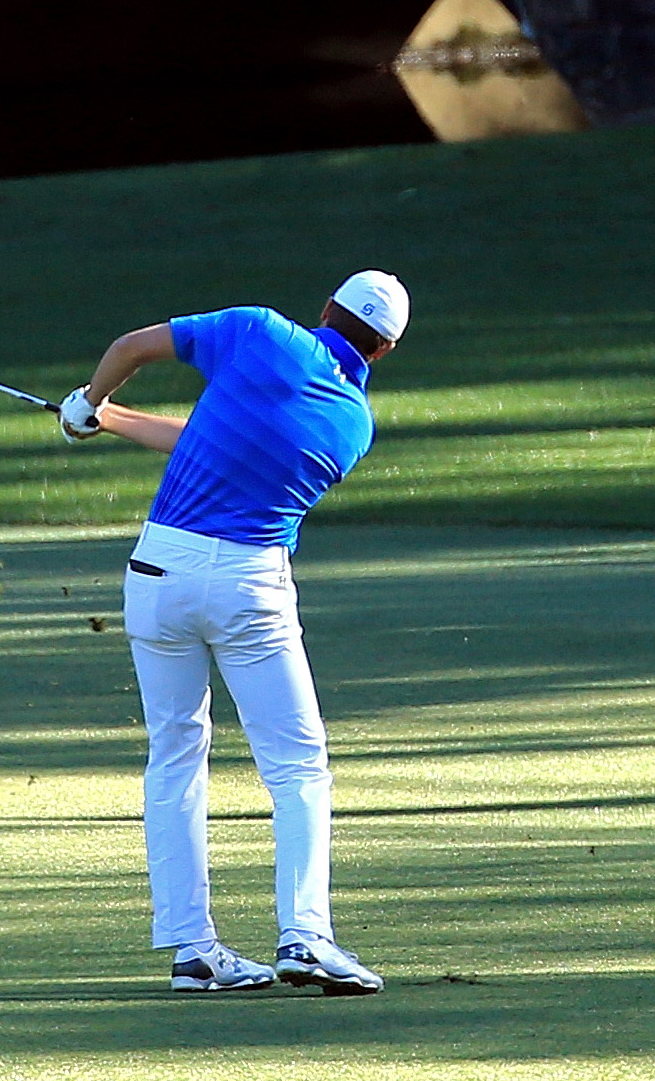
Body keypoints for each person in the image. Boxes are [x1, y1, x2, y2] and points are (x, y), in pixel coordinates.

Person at [56, 269, 408, 997]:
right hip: (250, 584)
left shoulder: (258, 329)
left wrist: (90, 404)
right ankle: (306, 936)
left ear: (325, 309)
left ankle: (193, 948)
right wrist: (110, 420)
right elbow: (224, 440)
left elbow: (131, 347)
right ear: (382, 352)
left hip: (158, 570)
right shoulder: (353, 423)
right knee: (297, 764)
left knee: (176, 752)